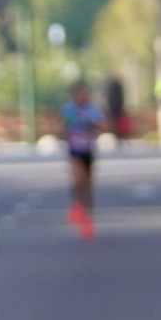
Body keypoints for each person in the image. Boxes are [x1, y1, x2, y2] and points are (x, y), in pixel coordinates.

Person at [59, 82, 105, 240]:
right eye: (79, 94)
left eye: (85, 94)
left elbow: (102, 126)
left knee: (88, 184)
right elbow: (60, 127)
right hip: (74, 150)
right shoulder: (68, 110)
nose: (82, 97)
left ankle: (88, 217)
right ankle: (76, 206)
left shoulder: (92, 110)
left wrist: (91, 124)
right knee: (78, 179)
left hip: (88, 150)